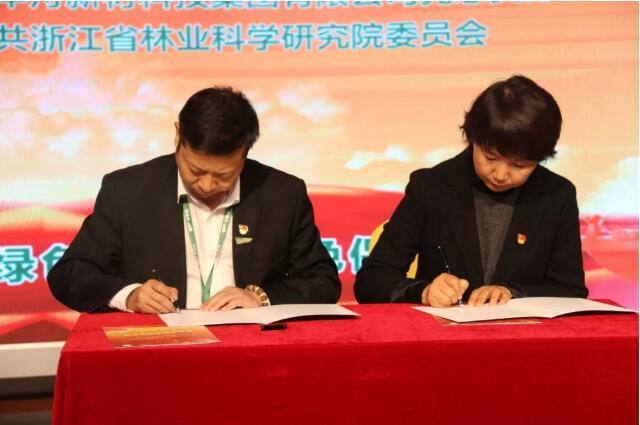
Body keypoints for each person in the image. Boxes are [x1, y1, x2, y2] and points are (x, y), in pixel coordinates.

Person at [48, 86, 340, 313]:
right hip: (159, 347)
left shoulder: (282, 194)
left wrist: (261, 298)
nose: (208, 185)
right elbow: (70, 274)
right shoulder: (127, 191)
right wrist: (130, 295)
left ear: (245, 152)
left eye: (224, 175)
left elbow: (323, 281)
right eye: (195, 170)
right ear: (178, 135)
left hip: (252, 345)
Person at [354, 75, 588, 307]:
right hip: (441, 329)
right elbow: (371, 280)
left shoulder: (557, 196)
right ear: (472, 137)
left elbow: (570, 290)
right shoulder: (430, 187)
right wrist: (423, 292)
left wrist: (513, 293)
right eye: (490, 157)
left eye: (519, 165)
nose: (500, 174)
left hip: (523, 329)